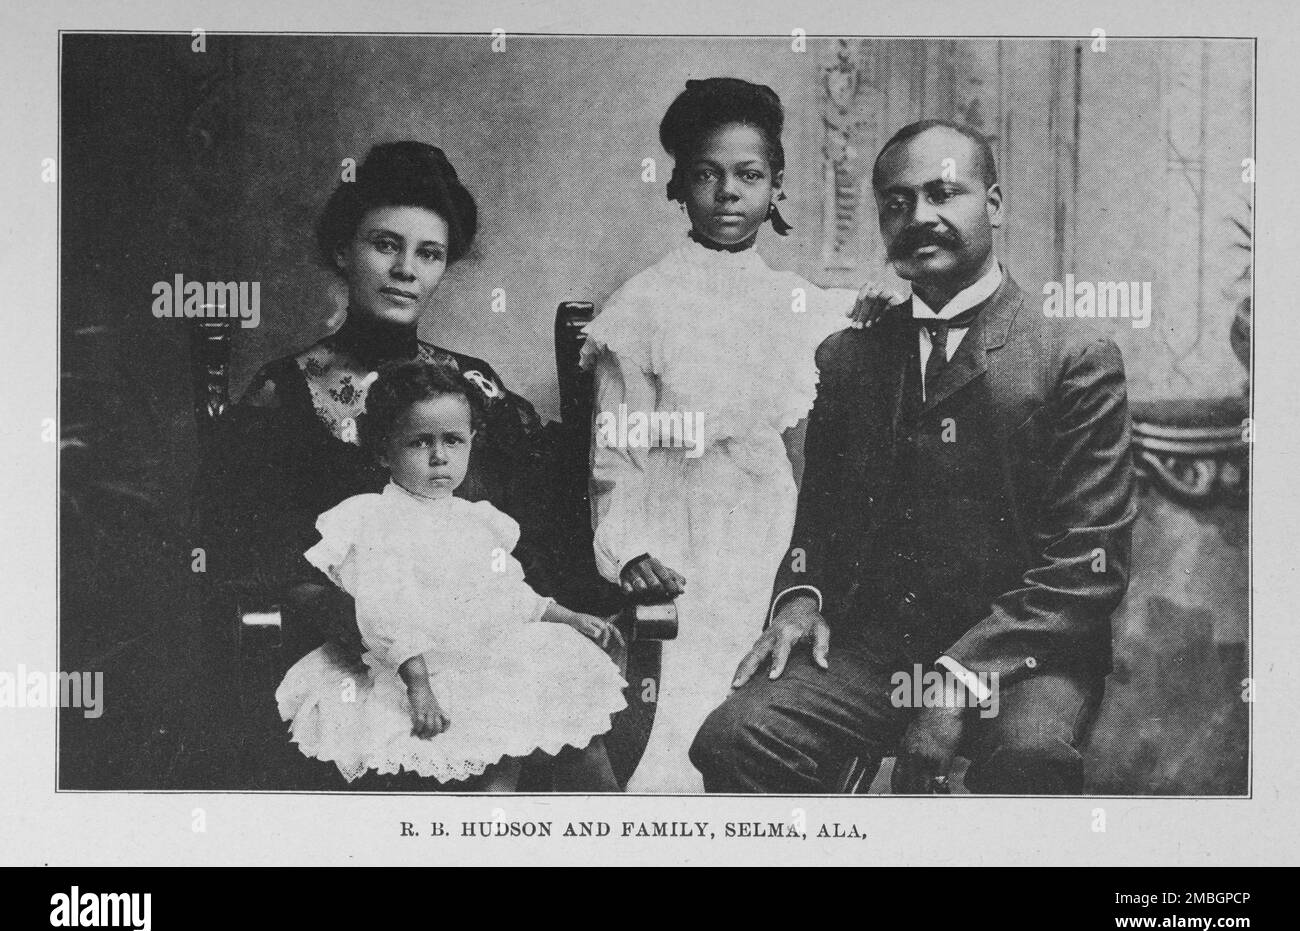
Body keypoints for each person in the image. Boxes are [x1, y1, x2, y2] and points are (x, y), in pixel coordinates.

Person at [690, 119, 1138, 794]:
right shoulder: (849, 358)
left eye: (943, 194)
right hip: (880, 653)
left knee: (1031, 763)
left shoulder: (1072, 356)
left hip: (1026, 655)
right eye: (897, 203)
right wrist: (800, 601)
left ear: (993, 204)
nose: (918, 217)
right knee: (734, 739)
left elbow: (1087, 566)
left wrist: (958, 682)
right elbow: (820, 526)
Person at [581, 78, 883, 791]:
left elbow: (861, 328)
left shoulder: (793, 301)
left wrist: (883, 312)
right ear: (677, 187)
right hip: (680, 525)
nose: (727, 192)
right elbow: (615, 454)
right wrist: (632, 552)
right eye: (706, 174)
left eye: (749, 176)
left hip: (770, 527)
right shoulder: (644, 304)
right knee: (689, 709)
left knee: (773, 688)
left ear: (775, 188)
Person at [195, 140, 560, 659]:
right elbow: (256, 559)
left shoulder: (472, 385)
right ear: (344, 252)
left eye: (429, 253)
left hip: (474, 646)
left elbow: (530, 538)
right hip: (339, 651)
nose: (406, 269)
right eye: (386, 245)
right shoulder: (284, 393)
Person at [276, 360, 626, 790]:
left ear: (471, 444)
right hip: (416, 666)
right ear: (385, 451)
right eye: (420, 442)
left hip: (485, 652)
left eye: (453, 441)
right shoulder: (373, 520)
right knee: (486, 746)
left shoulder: (478, 521)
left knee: (568, 716)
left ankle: (607, 826)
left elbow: (504, 592)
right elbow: (381, 610)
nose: (440, 456)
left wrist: (567, 616)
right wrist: (418, 683)